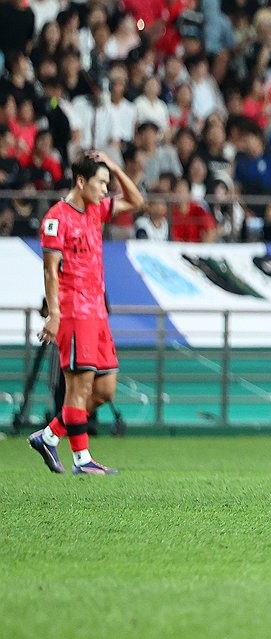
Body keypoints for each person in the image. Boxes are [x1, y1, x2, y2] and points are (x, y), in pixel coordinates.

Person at [28, 150, 144, 475]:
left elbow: (136, 201)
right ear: (81, 181)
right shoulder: (56, 219)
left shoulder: (95, 210)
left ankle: (50, 436)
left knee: (105, 389)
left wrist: (115, 166)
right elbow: (50, 271)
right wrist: (54, 314)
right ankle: (83, 460)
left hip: (97, 310)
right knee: (78, 388)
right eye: (101, 182)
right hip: (74, 309)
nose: (106, 190)